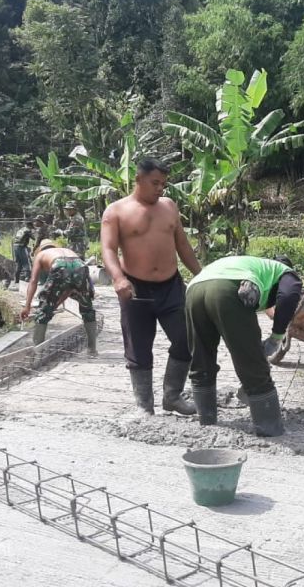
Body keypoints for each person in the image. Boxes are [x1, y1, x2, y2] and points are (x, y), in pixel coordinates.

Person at [101, 157, 202, 416]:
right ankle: (144, 406)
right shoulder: (116, 211)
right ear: (138, 179)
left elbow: (183, 246)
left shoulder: (169, 207)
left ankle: (172, 396)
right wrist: (118, 278)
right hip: (135, 289)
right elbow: (108, 249)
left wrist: (202, 275)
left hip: (171, 286)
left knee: (186, 338)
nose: (160, 189)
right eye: (154, 183)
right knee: (138, 349)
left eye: (163, 184)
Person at [186, 255, 302, 436]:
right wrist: (276, 337)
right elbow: (288, 296)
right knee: (252, 363)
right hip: (226, 289)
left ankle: (206, 421)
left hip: (195, 288)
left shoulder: (254, 265)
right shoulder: (286, 273)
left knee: (201, 357)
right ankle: (269, 428)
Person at [20, 239, 97, 354]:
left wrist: (27, 306)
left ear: (40, 249)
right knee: (87, 309)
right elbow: (69, 288)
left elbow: (33, 281)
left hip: (59, 265)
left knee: (43, 312)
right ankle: (92, 349)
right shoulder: (67, 250)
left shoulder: (41, 255)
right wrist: (55, 304)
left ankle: (37, 351)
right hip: (80, 265)